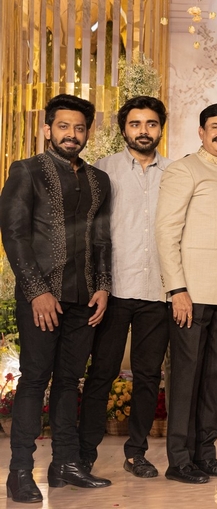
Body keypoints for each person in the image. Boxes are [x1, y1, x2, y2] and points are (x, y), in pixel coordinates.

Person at [0, 94, 112, 503]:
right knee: (34, 381)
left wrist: (103, 286)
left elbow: (102, 239)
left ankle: (65, 464)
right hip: (42, 298)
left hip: (84, 299)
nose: (71, 134)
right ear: (47, 129)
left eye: (79, 128)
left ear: (87, 133)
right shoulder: (26, 170)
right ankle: (19, 473)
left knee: (69, 381)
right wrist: (37, 292)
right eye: (63, 126)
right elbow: (14, 234)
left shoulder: (99, 180)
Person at [78, 96, 171, 478]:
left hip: (158, 290)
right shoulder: (103, 170)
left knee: (149, 377)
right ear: (123, 129)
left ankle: (137, 453)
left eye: (151, 123)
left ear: (160, 128)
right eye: (136, 124)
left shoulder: (175, 172)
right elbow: (89, 230)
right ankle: (84, 455)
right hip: (112, 289)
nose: (143, 131)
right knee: (102, 373)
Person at [155, 103, 217, 484]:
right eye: (215, 127)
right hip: (191, 294)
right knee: (185, 379)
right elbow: (166, 232)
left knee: (212, 379)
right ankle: (179, 460)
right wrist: (177, 289)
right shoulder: (184, 170)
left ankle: (205, 454)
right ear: (201, 132)